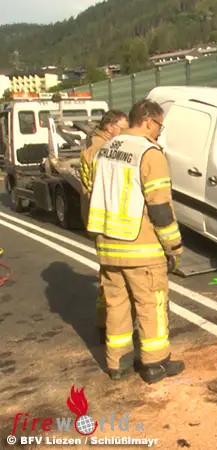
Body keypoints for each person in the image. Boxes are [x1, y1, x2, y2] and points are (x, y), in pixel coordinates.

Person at [86, 99, 184, 384]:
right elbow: (160, 208)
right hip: (140, 248)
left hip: (107, 246)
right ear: (149, 121)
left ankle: (117, 364)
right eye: (159, 126)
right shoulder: (149, 153)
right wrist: (174, 247)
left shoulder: (105, 149)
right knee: (151, 304)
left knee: (116, 305)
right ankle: (155, 364)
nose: (159, 132)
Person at [79, 109, 128, 332]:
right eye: (123, 128)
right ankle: (110, 324)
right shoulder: (102, 151)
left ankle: (103, 321)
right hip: (108, 222)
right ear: (110, 127)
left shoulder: (92, 149)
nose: (126, 133)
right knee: (112, 277)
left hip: (97, 220)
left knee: (106, 273)